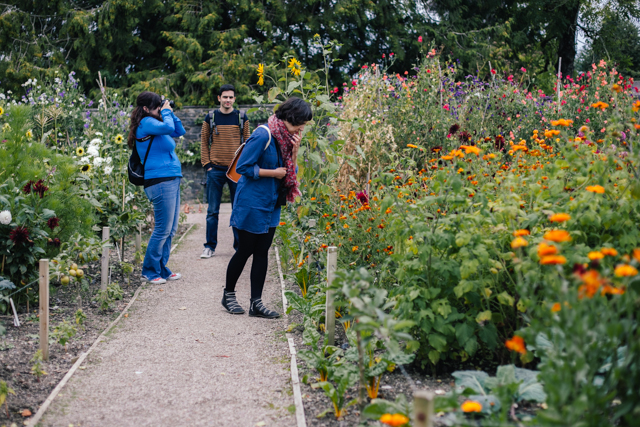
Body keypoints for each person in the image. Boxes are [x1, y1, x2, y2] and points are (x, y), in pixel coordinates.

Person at [222, 97, 312, 318]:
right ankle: (228, 295)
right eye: (302, 122)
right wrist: (272, 173)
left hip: (272, 203)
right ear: (292, 117)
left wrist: (294, 151)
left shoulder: (286, 138)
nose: (303, 127)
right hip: (252, 202)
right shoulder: (264, 134)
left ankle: (256, 303)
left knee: (262, 252)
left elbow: (290, 171)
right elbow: (244, 166)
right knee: (244, 251)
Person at [127, 91, 186, 284]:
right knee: (162, 228)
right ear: (146, 109)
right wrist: (167, 112)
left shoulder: (158, 123)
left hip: (171, 178)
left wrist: (169, 111)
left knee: (171, 229)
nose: (161, 108)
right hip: (160, 180)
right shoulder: (146, 123)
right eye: (158, 105)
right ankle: (149, 271)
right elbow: (169, 127)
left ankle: (161, 268)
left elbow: (179, 130)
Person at [200, 84, 250, 258]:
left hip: (235, 171)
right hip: (215, 170)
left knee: (238, 209)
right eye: (225, 97)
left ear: (234, 99)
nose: (227, 100)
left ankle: (239, 247)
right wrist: (207, 164)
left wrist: (244, 167)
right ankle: (209, 246)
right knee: (212, 211)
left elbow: (248, 143)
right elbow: (204, 142)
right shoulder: (211, 117)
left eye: (231, 97)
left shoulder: (241, 117)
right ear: (219, 98)